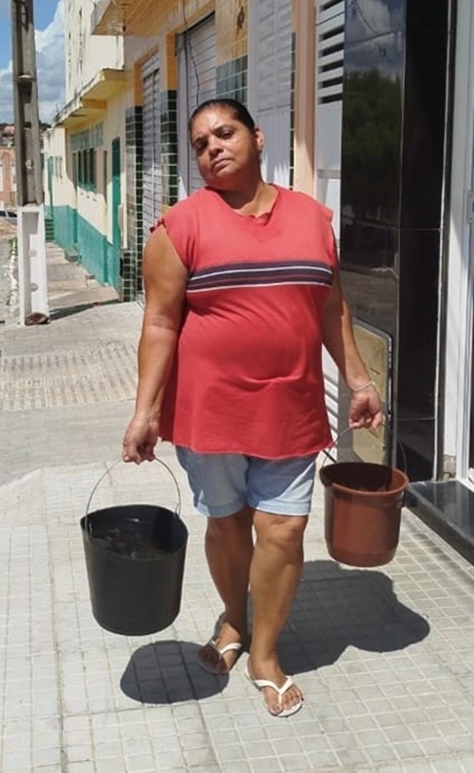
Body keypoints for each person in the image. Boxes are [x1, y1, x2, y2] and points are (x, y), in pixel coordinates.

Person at [122, 98, 383, 719]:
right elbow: (159, 324)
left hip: (291, 407)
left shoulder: (313, 219)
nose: (213, 146)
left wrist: (359, 378)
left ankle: (265, 652)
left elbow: (330, 306)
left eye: (225, 132)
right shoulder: (179, 227)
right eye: (200, 143)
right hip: (209, 413)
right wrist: (145, 411)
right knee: (228, 524)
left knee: (284, 530)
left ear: (257, 137)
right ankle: (234, 619)